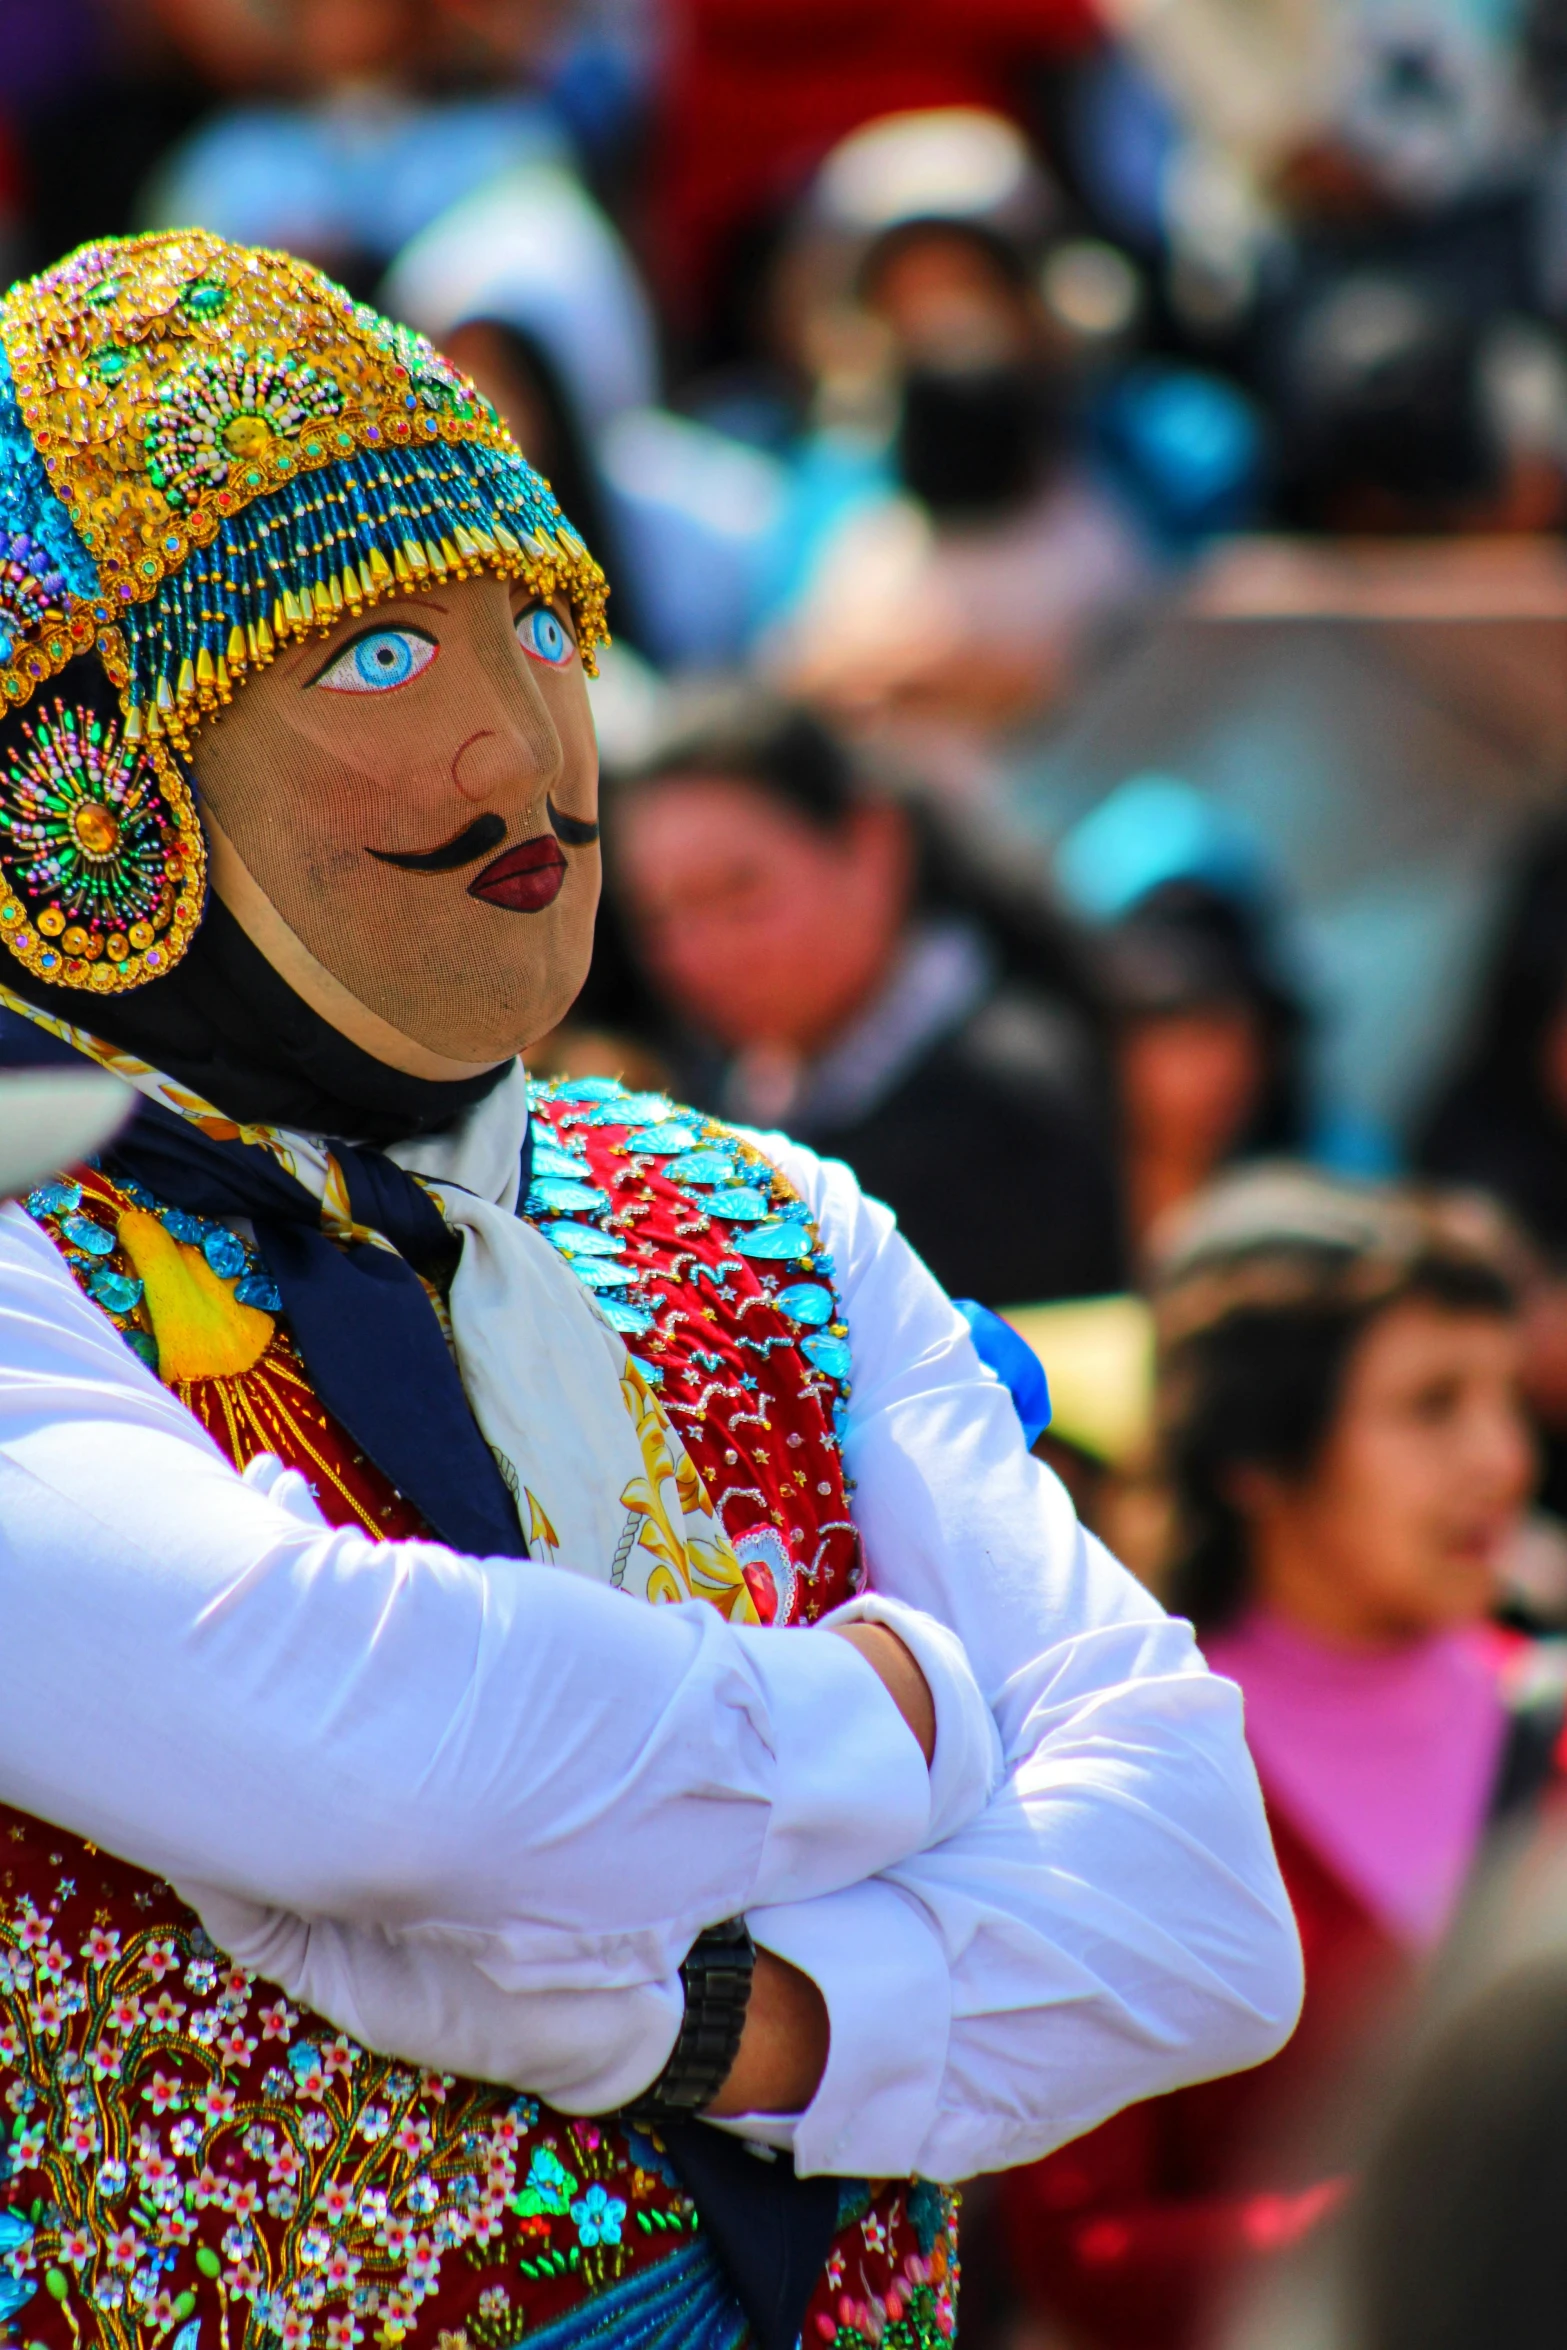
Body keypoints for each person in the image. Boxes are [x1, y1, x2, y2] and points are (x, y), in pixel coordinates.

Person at [0, 228, 1301, 2350]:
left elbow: (1199, 1911)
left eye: (539, 622)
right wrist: (905, 1710)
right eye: (377, 662)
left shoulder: (761, 1210)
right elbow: (360, 1743)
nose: (528, 749)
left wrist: (716, 2027)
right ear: (91, 778)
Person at [999, 1166, 1545, 2350]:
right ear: (1257, 1455)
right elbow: (1078, 2248)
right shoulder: (1130, 1755)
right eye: (1431, 1404)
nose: (1500, 1458)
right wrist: (1439, 2226)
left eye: (1507, 1398)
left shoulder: (1551, 1723)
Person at [606, 691, 1127, 1304]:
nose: (695, 952)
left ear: (873, 846)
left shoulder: (1010, 1105)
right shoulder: (719, 1094)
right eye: (659, 918)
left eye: (738, 892)